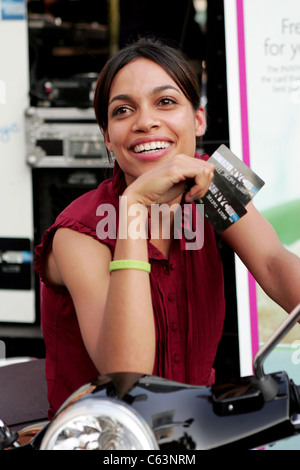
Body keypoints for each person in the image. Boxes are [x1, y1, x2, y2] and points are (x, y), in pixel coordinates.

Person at [34, 37, 300, 419]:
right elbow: (127, 375)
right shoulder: (79, 231)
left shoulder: (211, 179)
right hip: (108, 438)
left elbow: (274, 262)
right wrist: (134, 209)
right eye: (123, 110)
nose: (145, 122)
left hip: (197, 429)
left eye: (166, 102)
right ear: (108, 137)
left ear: (198, 119)